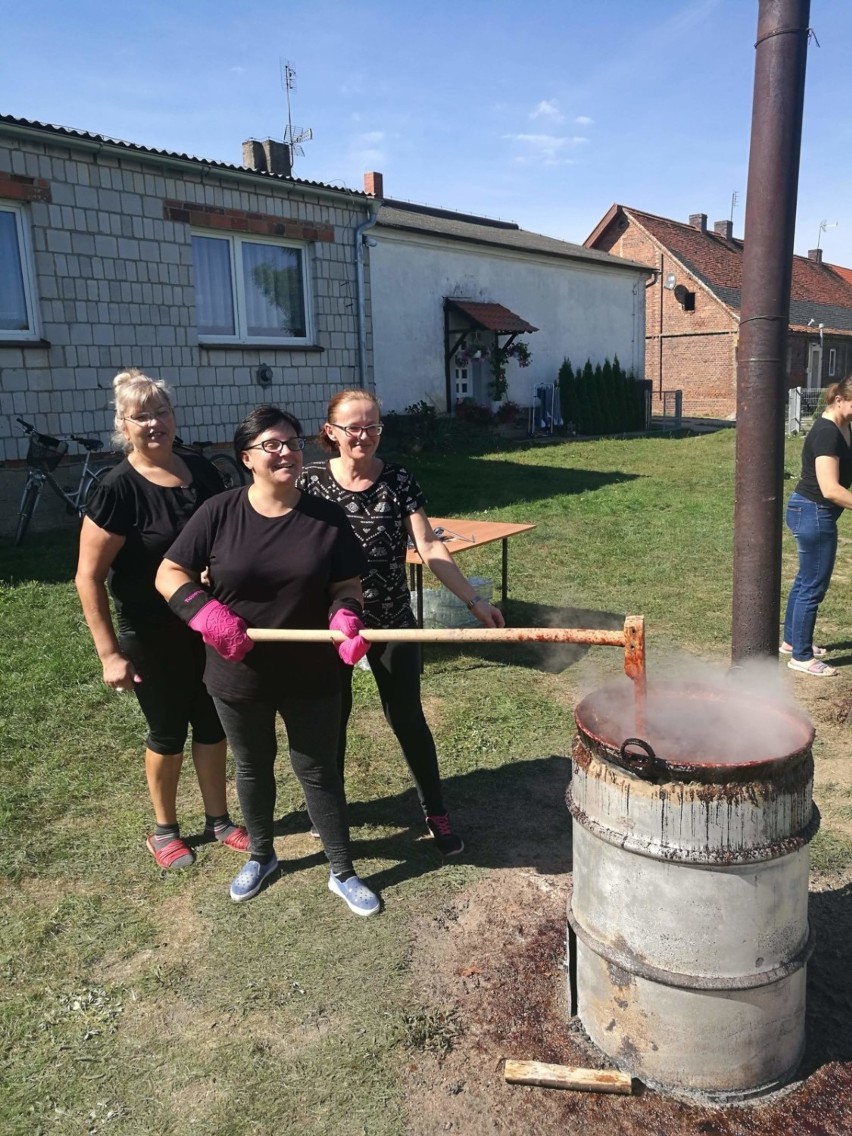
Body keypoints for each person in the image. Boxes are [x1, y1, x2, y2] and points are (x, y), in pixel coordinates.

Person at [155, 405, 381, 915]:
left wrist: (345, 615)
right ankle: (262, 855)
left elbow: (347, 584)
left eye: (293, 443)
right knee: (253, 766)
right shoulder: (218, 512)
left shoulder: (325, 516)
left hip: (313, 672)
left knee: (319, 769)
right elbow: (169, 573)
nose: (287, 452)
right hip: (238, 673)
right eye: (272, 444)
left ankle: (342, 869)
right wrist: (205, 614)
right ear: (247, 458)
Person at [297, 388, 505, 856]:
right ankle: (327, 810)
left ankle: (435, 810)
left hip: (392, 621)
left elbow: (429, 547)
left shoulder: (397, 479)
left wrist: (474, 602)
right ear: (331, 431)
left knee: (408, 718)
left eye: (373, 426)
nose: (365, 435)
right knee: (331, 719)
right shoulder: (308, 483)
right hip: (331, 625)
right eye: (354, 426)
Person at [76, 369, 249, 869]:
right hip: (151, 632)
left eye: (161, 412)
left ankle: (219, 820)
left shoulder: (200, 469)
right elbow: (88, 577)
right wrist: (110, 653)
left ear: (174, 416)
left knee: (214, 723)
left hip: (208, 623)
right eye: (141, 417)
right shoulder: (116, 489)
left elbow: (223, 536)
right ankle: (165, 830)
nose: (154, 424)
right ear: (123, 426)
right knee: (168, 730)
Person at [782, 376, 852, 677]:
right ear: (839, 400)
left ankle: (791, 641)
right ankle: (801, 656)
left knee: (805, 580)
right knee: (813, 585)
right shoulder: (826, 433)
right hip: (813, 511)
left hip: (813, 511)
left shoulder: (843, 426)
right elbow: (830, 489)